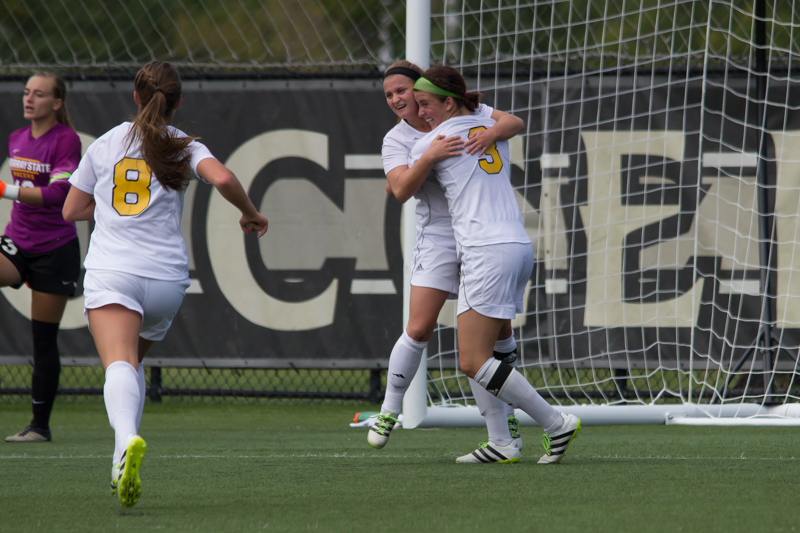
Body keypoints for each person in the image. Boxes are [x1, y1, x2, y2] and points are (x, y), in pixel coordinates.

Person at [62, 61, 269, 507]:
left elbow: (71, 210)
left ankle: (127, 441)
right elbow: (226, 178)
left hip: (114, 270)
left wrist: (108, 210)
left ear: (136, 97)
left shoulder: (106, 143)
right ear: (179, 103)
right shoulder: (185, 145)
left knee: (118, 364)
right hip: (166, 280)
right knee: (132, 365)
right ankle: (121, 460)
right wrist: (250, 213)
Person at [409, 66, 581, 465]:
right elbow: (510, 120)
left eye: (426, 104)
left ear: (448, 102)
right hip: (517, 244)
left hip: (485, 250)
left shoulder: (433, 140)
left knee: (471, 359)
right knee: (495, 345)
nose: (421, 114)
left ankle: (555, 423)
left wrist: (424, 151)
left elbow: (400, 188)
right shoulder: (491, 124)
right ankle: (501, 441)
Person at [369, 61, 528, 464]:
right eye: (389, 96)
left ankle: (503, 431)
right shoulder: (398, 139)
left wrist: (491, 131)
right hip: (441, 236)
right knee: (420, 326)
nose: (397, 100)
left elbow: (512, 121)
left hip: (481, 233)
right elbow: (400, 189)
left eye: (402, 91)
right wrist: (430, 154)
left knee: (493, 337)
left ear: (425, 91)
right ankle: (390, 411)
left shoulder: (461, 113)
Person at [2, 73, 82, 443]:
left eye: (39, 94)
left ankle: (39, 427)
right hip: (18, 241)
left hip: (54, 249)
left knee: (42, 339)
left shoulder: (66, 140)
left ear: (57, 103)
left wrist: (5, 189)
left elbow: (58, 194)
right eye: (26, 93)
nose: (29, 99)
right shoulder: (17, 138)